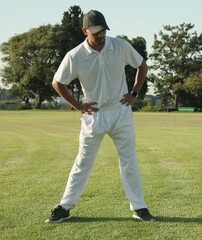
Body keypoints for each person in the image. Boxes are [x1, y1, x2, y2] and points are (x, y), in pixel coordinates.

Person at [46, 10, 155, 223]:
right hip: (93, 115)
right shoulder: (75, 55)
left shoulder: (120, 46)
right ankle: (65, 207)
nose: (101, 35)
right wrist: (77, 105)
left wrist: (134, 93)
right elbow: (58, 82)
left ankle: (139, 207)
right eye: (96, 32)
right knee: (83, 162)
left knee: (129, 161)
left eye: (103, 30)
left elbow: (142, 65)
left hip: (120, 112)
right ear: (85, 31)